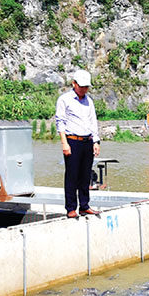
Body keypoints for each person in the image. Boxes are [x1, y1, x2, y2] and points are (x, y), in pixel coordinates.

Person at [55, 69, 101, 218]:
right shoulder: (64, 100)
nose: (84, 89)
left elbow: (93, 122)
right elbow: (60, 122)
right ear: (74, 84)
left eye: (86, 87)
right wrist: (64, 143)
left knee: (85, 175)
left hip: (87, 141)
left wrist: (96, 141)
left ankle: (84, 205)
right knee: (72, 176)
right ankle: (70, 208)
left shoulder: (89, 101)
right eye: (81, 86)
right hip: (72, 141)